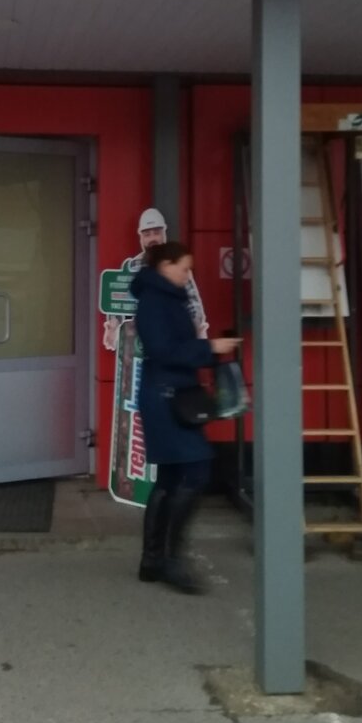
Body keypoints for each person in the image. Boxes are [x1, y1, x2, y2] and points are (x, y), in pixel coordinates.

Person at [131, 240, 239, 594]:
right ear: (165, 266)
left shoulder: (162, 298)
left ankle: (153, 561)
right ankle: (171, 561)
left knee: (170, 477)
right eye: (184, 267)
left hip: (167, 394)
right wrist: (210, 348)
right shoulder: (156, 300)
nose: (188, 275)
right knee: (195, 471)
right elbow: (163, 350)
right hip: (167, 396)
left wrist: (207, 350)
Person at [102, 208, 208, 351]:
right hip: (137, 345)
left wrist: (192, 332)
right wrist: (113, 327)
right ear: (141, 238)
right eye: (147, 234)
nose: (152, 238)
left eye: (156, 233)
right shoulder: (133, 267)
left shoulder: (178, 266)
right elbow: (119, 304)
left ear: (164, 234)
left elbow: (194, 307)